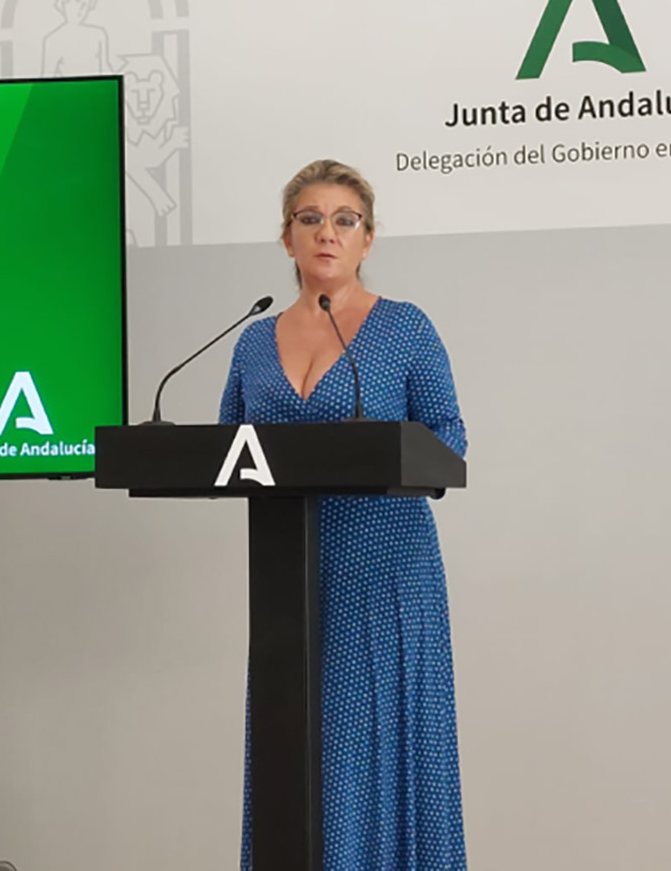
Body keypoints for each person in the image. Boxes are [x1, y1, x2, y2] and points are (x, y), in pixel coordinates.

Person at [219, 159, 468, 870]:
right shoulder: (253, 339)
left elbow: (448, 437)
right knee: (293, 741)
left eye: (344, 220)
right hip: (289, 574)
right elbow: (227, 443)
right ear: (287, 238)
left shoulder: (404, 329)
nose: (327, 233)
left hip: (386, 567)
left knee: (366, 742)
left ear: (367, 238)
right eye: (310, 219)